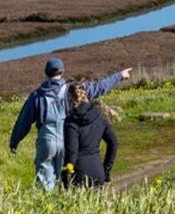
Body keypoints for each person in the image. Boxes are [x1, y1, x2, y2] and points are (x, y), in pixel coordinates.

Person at [9, 58, 132, 190]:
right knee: (63, 181)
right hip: (66, 141)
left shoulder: (37, 95)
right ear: (63, 72)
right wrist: (119, 76)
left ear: (46, 73)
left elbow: (23, 120)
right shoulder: (72, 91)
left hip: (46, 142)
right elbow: (100, 87)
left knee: (45, 185)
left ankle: (47, 205)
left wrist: (15, 141)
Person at [60, 82, 118, 189]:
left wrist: (65, 176)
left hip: (79, 174)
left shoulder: (71, 121)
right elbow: (113, 142)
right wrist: (107, 168)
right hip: (97, 171)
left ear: (70, 99)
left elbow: (72, 152)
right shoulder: (99, 117)